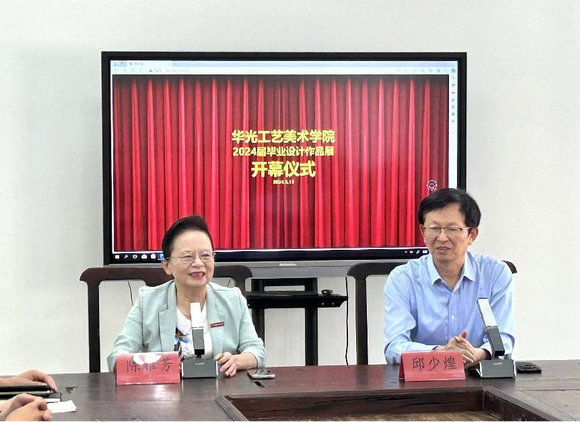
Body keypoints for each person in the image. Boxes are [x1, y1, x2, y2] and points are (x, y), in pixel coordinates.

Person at [107, 215, 265, 376]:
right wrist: (159, 366)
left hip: (221, 388)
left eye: (205, 255)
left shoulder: (233, 299)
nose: (198, 263)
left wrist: (236, 361)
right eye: (187, 256)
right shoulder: (148, 301)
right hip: (166, 390)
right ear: (167, 265)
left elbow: (257, 351)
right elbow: (116, 358)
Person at [383, 188, 515, 367]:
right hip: (423, 378)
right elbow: (394, 346)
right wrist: (441, 353)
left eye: (452, 229)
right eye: (434, 228)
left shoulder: (495, 274)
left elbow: (503, 340)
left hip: (479, 374)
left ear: (471, 235)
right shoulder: (403, 279)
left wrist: (476, 354)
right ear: (423, 232)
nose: (442, 238)